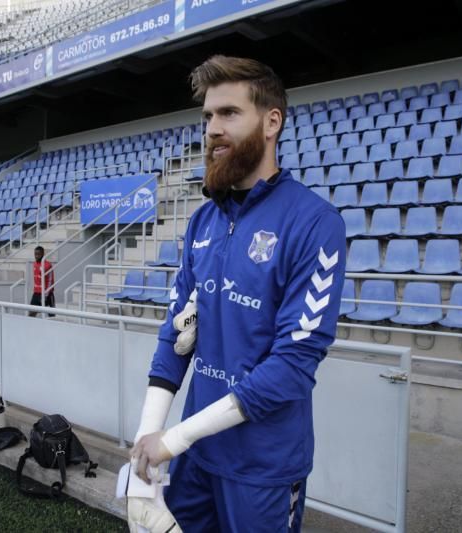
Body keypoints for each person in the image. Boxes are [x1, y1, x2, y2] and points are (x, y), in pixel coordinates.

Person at [126, 56, 346, 532]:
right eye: (207, 116)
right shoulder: (204, 220)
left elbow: (291, 368)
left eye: (228, 113)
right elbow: (175, 336)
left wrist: (173, 439)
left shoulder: (315, 223)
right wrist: (148, 439)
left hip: (262, 471)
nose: (212, 129)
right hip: (195, 461)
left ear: (272, 122)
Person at [28, 246, 55, 317]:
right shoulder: (34, 264)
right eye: (35, 254)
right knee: (31, 314)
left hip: (47, 294)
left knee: (52, 314)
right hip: (36, 293)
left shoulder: (47, 265)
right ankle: (31, 327)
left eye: (38, 254)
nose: (36, 256)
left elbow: (50, 280)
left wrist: (46, 294)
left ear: (43, 254)